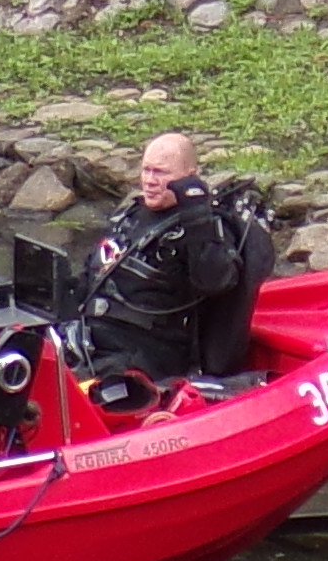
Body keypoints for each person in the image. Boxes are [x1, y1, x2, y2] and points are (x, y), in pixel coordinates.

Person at [83, 134, 269, 403]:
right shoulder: (133, 215)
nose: (149, 180)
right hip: (93, 338)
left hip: (144, 356)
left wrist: (196, 215)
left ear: (188, 176)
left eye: (160, 172)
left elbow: (215, 282)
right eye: (146, 170)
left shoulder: (202, 228)